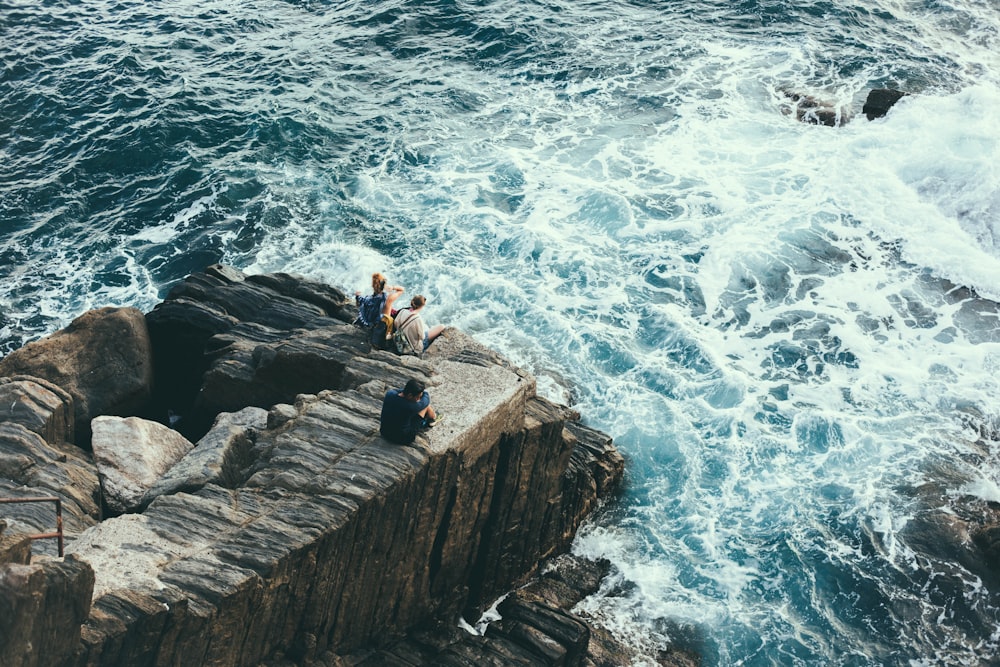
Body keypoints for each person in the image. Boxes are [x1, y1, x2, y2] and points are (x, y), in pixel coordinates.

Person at [380, 378, 441, 444]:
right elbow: (426, 399)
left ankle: (430, 419)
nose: (418, 399)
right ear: (410, 395)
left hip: (384, 432)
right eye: (418, 397)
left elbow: (400, 391)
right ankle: (433, 418)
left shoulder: (389, 394)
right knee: (425, 407)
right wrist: (423, 392)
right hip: (403, 438)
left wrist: (415, 392)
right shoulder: (411, 407)